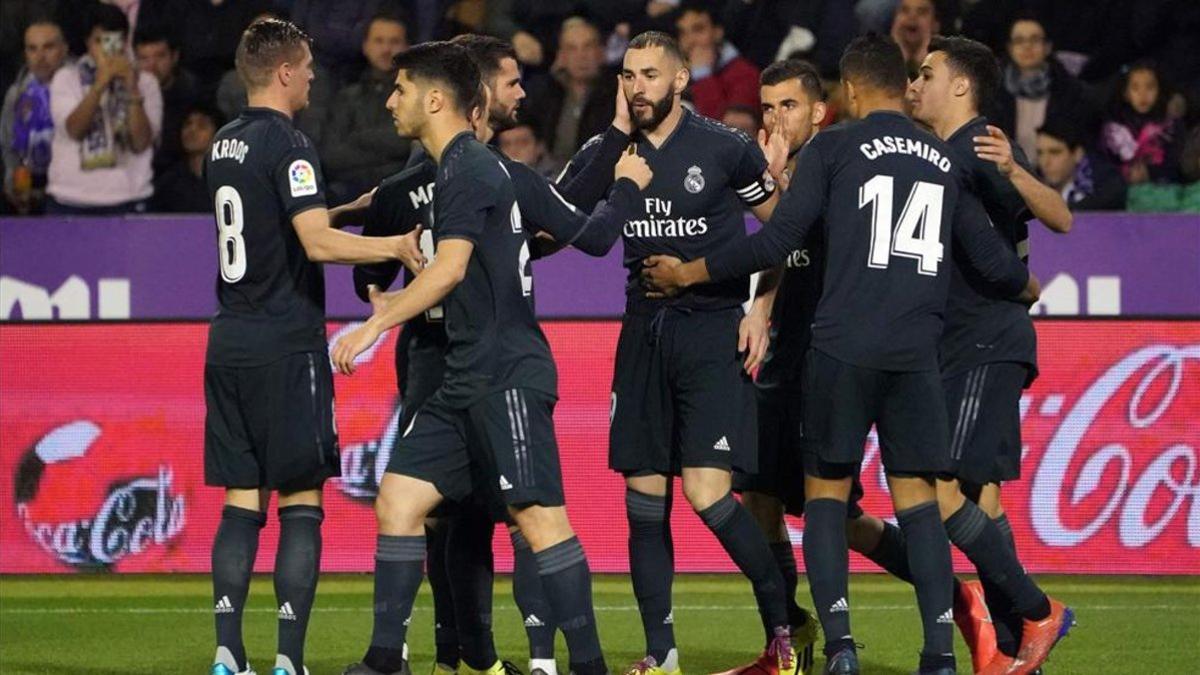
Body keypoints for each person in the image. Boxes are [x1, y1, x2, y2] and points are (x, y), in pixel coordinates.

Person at [640, 33, 1051, 675]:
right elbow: (995, 261)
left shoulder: (835, 147)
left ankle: (839, 649)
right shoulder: (941, 158)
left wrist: (692, 273)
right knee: (918, 501)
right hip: (915, 353)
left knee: (827, 499)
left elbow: (777, 238)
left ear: (848, 93)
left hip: (840, 348)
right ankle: (938, 654)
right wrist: (1024, 284)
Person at [332, 41, 631, 675]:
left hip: (506, 374)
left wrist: (377, 322)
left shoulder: (468, 166)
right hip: (462, 376)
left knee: (538, 518)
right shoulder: (457, 170)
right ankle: (386, 657)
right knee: (399, 501)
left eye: (401, 90)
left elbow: (451, 268)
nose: (391, 101)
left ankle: (589, 665)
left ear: (434, 100)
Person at [558, 30, 808, 675]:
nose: (636, 85)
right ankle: (660, 654)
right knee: (643, 499)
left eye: (649, 74)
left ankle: (786, 627)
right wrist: (611, 144)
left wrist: (761, 307)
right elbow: (556, 221)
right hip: (641, 331)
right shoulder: (611, 150)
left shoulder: (724, 149)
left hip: (708, 330)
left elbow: (782, 232)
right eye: (628, 74)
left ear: (678, 79)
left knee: (707, 494)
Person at [201, 18, 413, 675]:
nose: (316, 77)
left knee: (242, 499)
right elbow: (313, 244)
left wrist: (341, 208)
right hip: (285, 343)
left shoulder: (223, 144)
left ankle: (228, 652)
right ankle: (288, 658)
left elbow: (277, 224)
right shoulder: (290, 144)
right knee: (300, 501)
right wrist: (393, 245)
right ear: (285, 72)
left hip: (229, 337)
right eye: (309, 67)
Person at [906, 35, 1074, 674]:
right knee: (981, 502)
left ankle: (1035, 612)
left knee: (943, 488)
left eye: (927, 73)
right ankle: (1009, 648)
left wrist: (1011, 171)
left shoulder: (981, 147)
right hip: (956, 344)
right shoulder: (940, 152)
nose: (915, 84)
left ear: (960, 86)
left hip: (984, 340)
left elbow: (1058, 219)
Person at [46, 4, 162, 214]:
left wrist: (132, 89)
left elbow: (141, 143)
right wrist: (99, 85)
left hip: (129, 197)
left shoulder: (146, 82)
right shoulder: (66, 78)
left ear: (125, 42)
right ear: (88, 43)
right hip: (70, 199)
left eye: (113, 40)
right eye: (99, 41)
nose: (107, 49)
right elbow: (74, 130)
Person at [322, 12, 412, 203]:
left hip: (399, 193)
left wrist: (358, 138)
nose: (386, 49)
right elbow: (330, 156)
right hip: (347, 194)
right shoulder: (346, 96)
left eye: (394, 41)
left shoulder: (414, 96)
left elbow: (406, 147)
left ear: (406, 47)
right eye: (379, 41)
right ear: (365, 46)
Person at [993, 13, 1092, 164]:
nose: (1027, 46)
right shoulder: (993, 90)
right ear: (1010, 48)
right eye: (1019, 41)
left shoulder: (1070, 90)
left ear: (1047, 47)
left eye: (1035, 39)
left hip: (1055, 178)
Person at [522, 17, 616, 169]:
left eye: (588, 46)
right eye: (572, 48)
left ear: (601, 52)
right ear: (562, 56)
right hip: (548, 176)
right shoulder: (544, 92)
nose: (581, 56)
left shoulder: (617, 93)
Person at [1, 19, 69, 214]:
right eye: (32, 49)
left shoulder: (79, 88)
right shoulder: (16, 93)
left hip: (69, 186)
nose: (40, 56)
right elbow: (8, 145)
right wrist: (11, 182)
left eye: (48, 47)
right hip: (29, 181)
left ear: (64, 49)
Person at [1100, 60, 1184, 186]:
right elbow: (1104, 163)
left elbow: (1178, 163)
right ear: (1126, 93)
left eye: (1150, 87)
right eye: (1135, 88)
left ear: (1160, 89)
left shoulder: (1171, 125)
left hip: (1162, 189)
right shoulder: (1113, 127)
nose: (1143, 95)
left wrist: (1150, 172)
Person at [674, 2, 761, 120]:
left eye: (698, 30)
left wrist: (702, 75)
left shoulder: (745, 74)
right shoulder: (675, 74)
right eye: (683, 33)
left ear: (717, 32)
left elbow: (728, 131)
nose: (689, 41)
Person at [134, 27, 202, 175]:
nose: (151, 66)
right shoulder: (129, 92)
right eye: (144, 59)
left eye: (159, 56)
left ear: (174, 56)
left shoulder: (190, 92)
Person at [1036, 119, 1126, 210]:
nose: (1045, 162)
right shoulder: (1031, 187)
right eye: (1040, 153)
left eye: (1055, 152)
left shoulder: (1105, 188)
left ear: (1077, 154)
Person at [152, 104, 221, 212]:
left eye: (202, 125)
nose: (192, 130)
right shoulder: (169, 183)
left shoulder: (230, 179)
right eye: (187, 124)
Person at [889, 0, 938, 78]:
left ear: (935, 24)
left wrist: (923, 59)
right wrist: (898, 55)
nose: (912, 16)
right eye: (905, 10)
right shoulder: (878, 58)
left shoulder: (946, 64)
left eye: (921, 12)